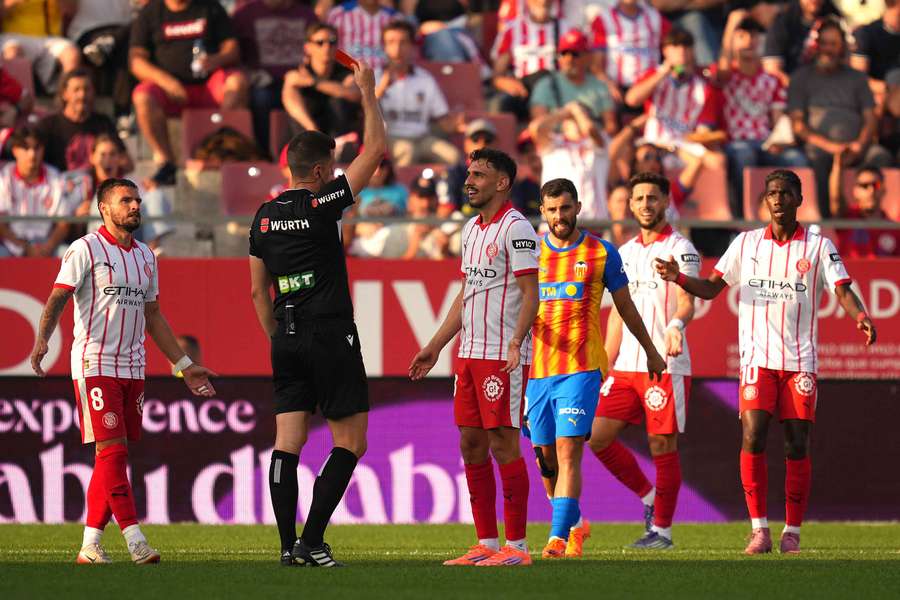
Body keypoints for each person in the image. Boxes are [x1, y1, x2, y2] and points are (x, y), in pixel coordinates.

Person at [654, 168, 877, 555]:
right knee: (753, 435)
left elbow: (843, 290)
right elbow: (710, 288)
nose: (777, 200)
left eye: (785, 193)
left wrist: (860, 316)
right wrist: (680, 278)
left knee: (797, 443)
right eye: (771, 194)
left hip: (800, 361)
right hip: (757, 358)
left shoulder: (818, 247)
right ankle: (759, 529)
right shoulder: (745, 244)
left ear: (799, 200)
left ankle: (793, 531)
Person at [29, 177, 217, 565]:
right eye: (125, 200)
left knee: (112, 457)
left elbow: (153, 316)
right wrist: (43, 339)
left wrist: (183, 366)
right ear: (104, 208)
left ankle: (90, 546)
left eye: (137, 200)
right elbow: (58, 296)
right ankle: (135, 538)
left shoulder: (146, 256)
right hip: (95, 363)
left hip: (134, 366)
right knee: (111, 450)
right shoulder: (85, 249)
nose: (135, 206)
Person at [248, 58, 386, 568]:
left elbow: (255, 291)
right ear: (323, 171)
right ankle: (312, 539)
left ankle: (287, 548)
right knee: (351, 439)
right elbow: (375, 151)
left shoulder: (263, 217)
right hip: (330, 333)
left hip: (284, 336)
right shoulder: (321, 204)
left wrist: (277, 338)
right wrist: (367, 91)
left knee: (288, 440)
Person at [410, 148, 540, 567]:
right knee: (470, 444)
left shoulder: (517, 228)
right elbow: (467, 294)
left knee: (504, 445)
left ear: (502, 183)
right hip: (468, 354)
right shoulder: (470, 229)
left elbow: (530, 294)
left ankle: (517, 548)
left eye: (480, 175)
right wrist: (436, 344)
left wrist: (518, 342)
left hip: (500, 354)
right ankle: (486, 542)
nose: (470, 181)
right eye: (469, 174)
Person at [527, 177, 666, 559]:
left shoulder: (602, 253)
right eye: (552, 209)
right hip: (538, 371)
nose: (559, 216)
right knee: (545, 460)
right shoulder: (530, 255)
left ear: (578, 207)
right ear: (543, 212)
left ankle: (556, 538)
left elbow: (625, 307)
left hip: (582, 367)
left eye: (566, 208)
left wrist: (651, 350)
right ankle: (574, 524)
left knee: (569, 449)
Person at [590, 171, 698, 550]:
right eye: (639, 198)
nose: (646, 205)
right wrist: (605, 358)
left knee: (662, 447)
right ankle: (649, 497)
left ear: (666, 201)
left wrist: (675, 325)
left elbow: (688, 300)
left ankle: (663, 532)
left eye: (653, 198)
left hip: (664, 367)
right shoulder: (625, 253)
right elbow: (619, 312)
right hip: (626, 367)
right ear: (630, 204)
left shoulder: (681, 249)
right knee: (596, 436)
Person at [130, 0, 250, 185]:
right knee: (142, 96)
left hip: (207, 86)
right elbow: (136, 61)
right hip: (169, 90)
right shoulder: (150, 12)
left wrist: (215, 60)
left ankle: (218, 150)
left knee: (237, 82)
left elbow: (233, 49)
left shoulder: (210, 7)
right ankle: (167, 163)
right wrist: (166, 81)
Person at [787, 18, 890, 217]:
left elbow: (870, 118)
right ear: (816, 46)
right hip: (820, 148)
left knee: (880, 157)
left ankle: (875, 224)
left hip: (857, 147)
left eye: (833, 44)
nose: (827, 49)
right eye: (823, 43)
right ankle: (828, 225)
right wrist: (832, 148)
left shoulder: (858, 78)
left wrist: (860, 144)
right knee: (818, 159)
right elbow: (798, 126)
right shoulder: (801, 78)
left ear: (842, 47)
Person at [716, 15, 808, 218]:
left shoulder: (771, 80)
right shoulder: (725, 76)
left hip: (764, 143)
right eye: (742, 35)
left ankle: (799, 220)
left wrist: (780, 142)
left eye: (754, 36)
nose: (749, 40)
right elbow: (721, 69)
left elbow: (777, 120)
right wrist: (731, 24)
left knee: (797, 158)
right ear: (732, 40)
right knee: (743, 154)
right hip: (736, 143)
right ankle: (744, 220)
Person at [625, 27, 726, 172]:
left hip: (684, 144)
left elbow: (703, 129)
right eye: (675, 45)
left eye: (686, 46)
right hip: (654, 141)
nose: (681, 51)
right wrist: (664, 72)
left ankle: (683, 195)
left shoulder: (703, 86)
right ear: (665, 50)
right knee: (641, 157)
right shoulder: (654, 75)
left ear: (692, 51)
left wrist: (697, 139)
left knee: (718, 161)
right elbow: (632, 99)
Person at [232, 0, 318, 154]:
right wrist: (251, 74)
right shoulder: (246, 14)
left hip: (299, 81)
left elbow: (317, 50)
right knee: (261, 98)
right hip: (264, 81)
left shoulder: (306, 15)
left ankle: (313, 152)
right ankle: (265, 153)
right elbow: (235, 55)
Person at [376, 20, 462, 166]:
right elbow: (365, 112)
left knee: (453, 156)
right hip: (391, 138)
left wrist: (456, 124)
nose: (397, 48)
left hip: (422, 138)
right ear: (384, 47)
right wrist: (382, 88)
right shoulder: (375, 77)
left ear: (412, 47)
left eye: (403, 42)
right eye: (391, 42)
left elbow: (443, 120)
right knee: (407, 152)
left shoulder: (425, 79)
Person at [36, 69, 132, 173]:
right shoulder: (48, 126)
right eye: (76, 90)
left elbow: (128, 164)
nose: (82, 95)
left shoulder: (104, 123)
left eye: (87, 89)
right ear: (64, 94)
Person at [491, 0, 571, 121]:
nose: (543, 2)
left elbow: (577, 64)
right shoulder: (512, 29)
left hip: (557, 87)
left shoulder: (566, 29)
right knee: (501, 105)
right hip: (525, 88)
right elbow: (497, 76)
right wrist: (508, 84)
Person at [531, 100, 611, 221]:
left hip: (593, 223)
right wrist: (564, 112)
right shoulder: (553, 143)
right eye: (571, 118)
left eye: (580, 117)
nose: (576, 121)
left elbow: (590, 129)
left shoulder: (600, 141)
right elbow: (537, 128)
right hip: (555, 222)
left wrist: (577, 111)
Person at [0, 126, 70, 258]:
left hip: (47, 244)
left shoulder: (55, 176)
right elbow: (1, 225)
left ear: (43, 149)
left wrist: (47, 248)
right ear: (15, 151)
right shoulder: (4, 177)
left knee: (69, 255)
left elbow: (64, 223)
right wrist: (23, 247)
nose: (32, 154)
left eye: (37, 148)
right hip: (12, 245)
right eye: (26, 148)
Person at [282, 23, 361, 139]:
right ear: (307, 48)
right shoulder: (299, 71)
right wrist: (312, 129)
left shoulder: (345, 73)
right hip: (305, 139)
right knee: (295, 95)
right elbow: (289, 96)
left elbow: (354, 94)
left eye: (332, 42)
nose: (327, 47)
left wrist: (313, 82)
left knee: (338, 102)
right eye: (320, 42)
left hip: (338, 140)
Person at [530, 27, 616, 134]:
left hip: (592, 143)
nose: (569, 59)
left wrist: (588, 129)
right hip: (557, 144)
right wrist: (571, 113)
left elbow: (611, 126)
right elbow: (539, 128)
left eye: (575, 54)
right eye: (564, 53)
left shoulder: (599, 86)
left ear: (588, 57)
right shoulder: (546, 85)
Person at [589, 0, 670, 110]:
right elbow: (596, 66)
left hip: (652, 89)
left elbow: (673, 48)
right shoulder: (604, 19)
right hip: (617, 90)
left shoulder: (655, 17)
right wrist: (609, 84)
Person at [0, 0, 81, 92]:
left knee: (71, 54)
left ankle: (65, 98)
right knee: (12, 53)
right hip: (13, 35)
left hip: (50, 37)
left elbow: (70, 11)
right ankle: (18, 98)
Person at [829, 160, 900, 258]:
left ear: (884, 190)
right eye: (864, 186)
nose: (871, 191)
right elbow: (836, 199)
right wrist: (838, 164)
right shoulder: (846, 218)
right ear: (855, 191)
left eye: (876, 185)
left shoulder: (895, 230)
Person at [763, 0, 841, 88]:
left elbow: (844, 59)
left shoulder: (832, 15)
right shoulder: (783, 19)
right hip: (792, 88)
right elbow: (772, 69)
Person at [327, 0, 398, 70]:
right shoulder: (338, 15)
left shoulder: (395, 18)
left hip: (387, 76)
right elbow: (328, 49)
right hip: (346, 75)